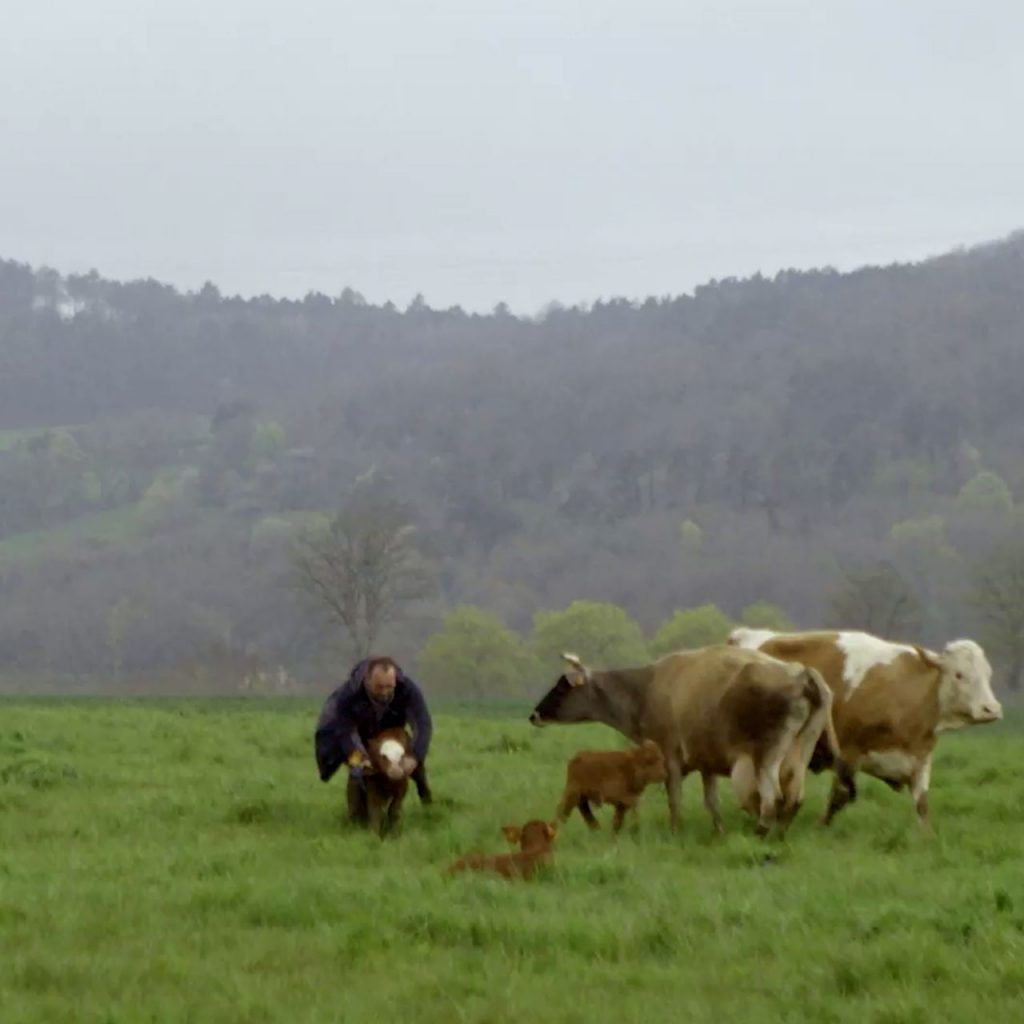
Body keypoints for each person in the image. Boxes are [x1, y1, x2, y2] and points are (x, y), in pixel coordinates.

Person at [314, 655, 433, 824]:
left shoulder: (408, 690)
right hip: (358, 740)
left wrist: (414, 757)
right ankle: (356, 816)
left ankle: (424, 803)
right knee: (357, 770)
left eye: (389, 687)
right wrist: (360, 759)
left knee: (414, 762)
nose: (384, 692)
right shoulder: (348, 695)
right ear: (367, 681)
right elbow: (344, 732)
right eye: (379, 687)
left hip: (392, 735)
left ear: (395, 681)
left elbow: (423, 724)